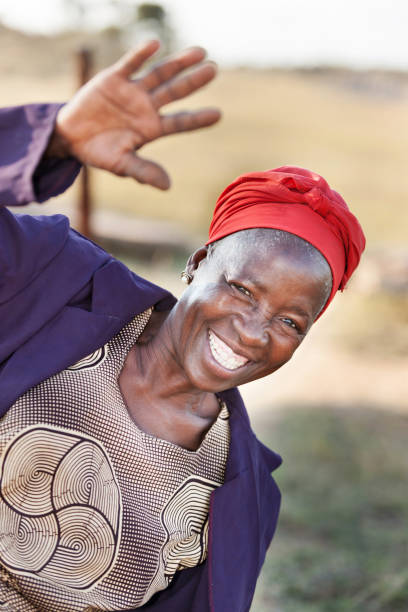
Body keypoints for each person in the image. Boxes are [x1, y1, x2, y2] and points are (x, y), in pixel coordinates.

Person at [0, 41, 365, 612]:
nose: (252, 332)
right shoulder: (51, 282)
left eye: (291, 321)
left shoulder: (237, 498)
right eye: (242, 289)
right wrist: (51, 140)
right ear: (198, 263)